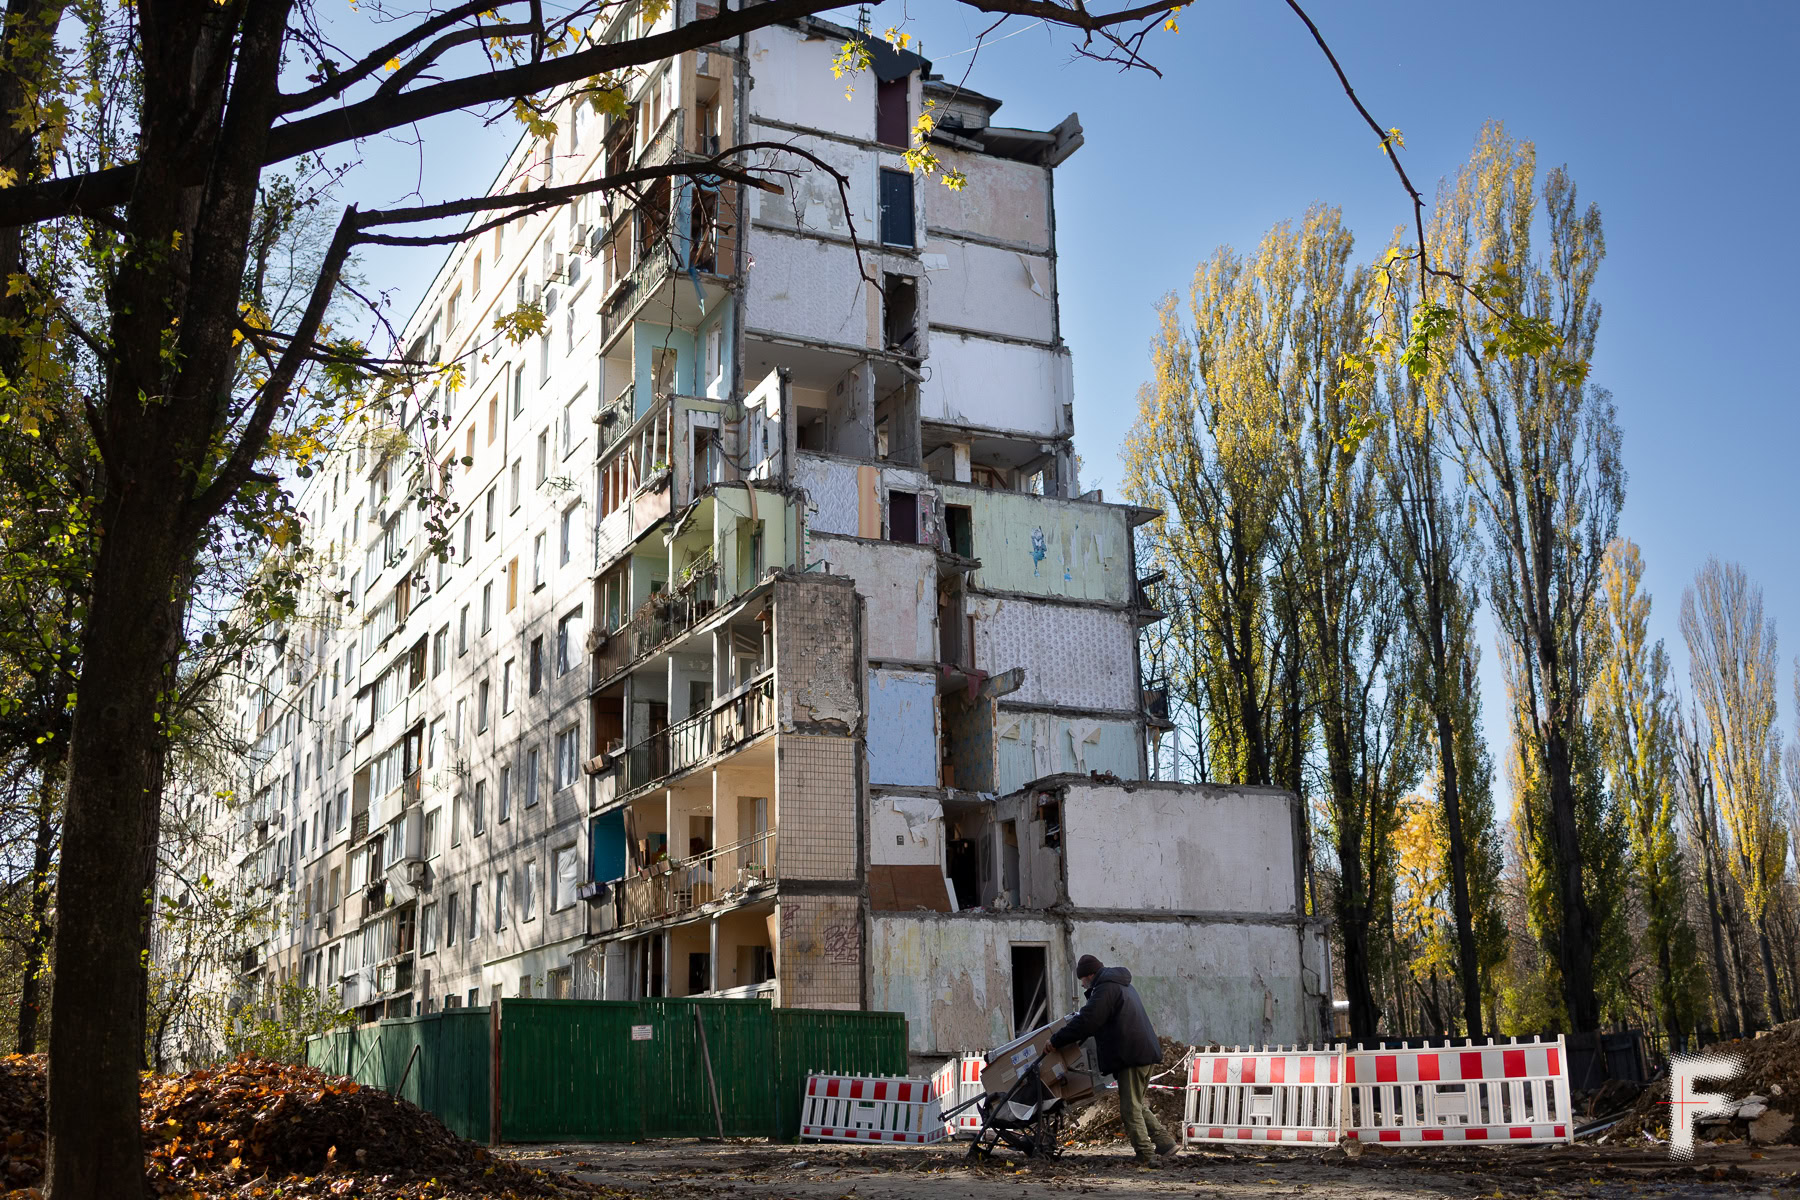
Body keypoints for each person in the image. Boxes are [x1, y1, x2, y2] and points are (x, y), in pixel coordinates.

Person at [1049, 954, 1176, 1164]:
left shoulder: (1105, 988)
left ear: (1089, 975)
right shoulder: (1120, 984)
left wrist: (1056, 1040)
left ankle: (1145, 1154)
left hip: (1131, 1055)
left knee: (1129, 1108)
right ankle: (1165, 1143)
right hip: (1143, 1052)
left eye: (1082, 979)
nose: (1082, 984)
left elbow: (1088, 1021)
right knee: (1137, 1104)